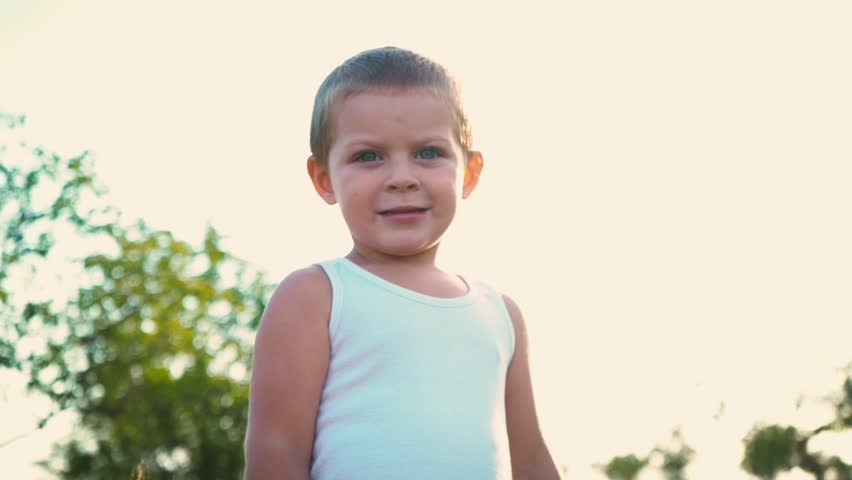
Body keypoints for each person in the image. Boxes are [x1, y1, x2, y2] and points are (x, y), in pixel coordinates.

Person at [243, 46, 559, 480]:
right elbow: (276, 450)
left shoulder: (501, 313)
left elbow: (532, 459)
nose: (402, 177)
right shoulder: (315, 296)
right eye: (368, 156)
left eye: (428, 153)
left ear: (468, 172)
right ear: (323, 179)